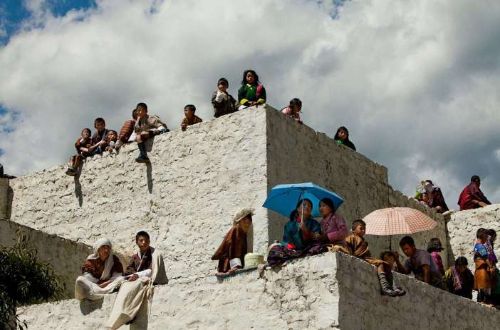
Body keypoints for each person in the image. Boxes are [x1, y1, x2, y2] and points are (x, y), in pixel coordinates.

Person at [106, 231, 168, 329]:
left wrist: (137, 275)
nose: (144, 243)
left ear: (149, 241)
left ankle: (129, 314)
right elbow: (129, 271)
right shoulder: (135, 257)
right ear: (136, 242)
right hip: (136, 279)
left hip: (147, 279)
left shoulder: (154, 254)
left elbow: (152, 270)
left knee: (134, 286)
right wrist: (127, 277)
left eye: (146, 241)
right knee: (122, 284)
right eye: (141, 240)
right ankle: (120, 315)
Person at [333, 220, 405, 296]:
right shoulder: (351, 238)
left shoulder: (363, 241)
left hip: (367, 258)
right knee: (380, 263)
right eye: (361, 228)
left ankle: (393, 287)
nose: (363, 231)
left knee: (385, 264)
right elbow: (349, 249)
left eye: (364, 229)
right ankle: (385, 288)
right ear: (353, 230)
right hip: (361, 258)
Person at [212, 209, 253, 275]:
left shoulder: (243, 234)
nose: (248, 223)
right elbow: (234, 248)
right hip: (228, 264)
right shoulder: (236, 230)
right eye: (245, 220)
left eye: (249, 220)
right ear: (240, 221)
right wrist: (235, 266)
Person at [473, 228, 497, 303]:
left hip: (481, 269)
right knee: (484, 287)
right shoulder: (480, 246)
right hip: (482, 269)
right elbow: (485, 257)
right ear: (482, 235)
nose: (487, 238)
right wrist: (491, 266)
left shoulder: (478, 245)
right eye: (486, 236)